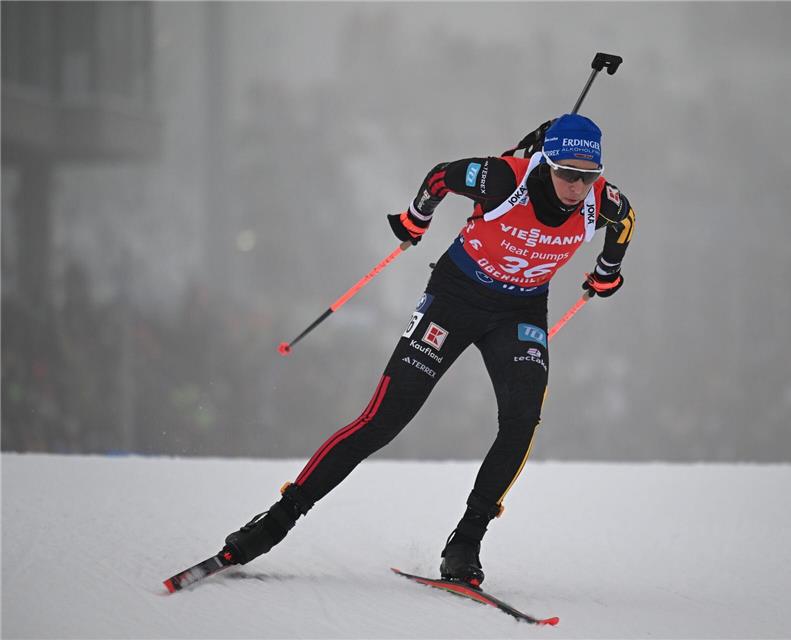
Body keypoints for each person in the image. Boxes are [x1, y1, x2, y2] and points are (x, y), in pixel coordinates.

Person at [220, 113, 636, 586]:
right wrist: (416, 219)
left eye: (588, 176)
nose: (577, 187)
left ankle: (465, 543)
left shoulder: (603, 201)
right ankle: (277, 520)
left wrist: (607, 272)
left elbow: (626, 222)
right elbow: (441, 176)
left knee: (522, 420)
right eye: (566, 173)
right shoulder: (503, 179)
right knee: (383, 419)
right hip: (456, 298)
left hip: (519, 312)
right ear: (546, 162)